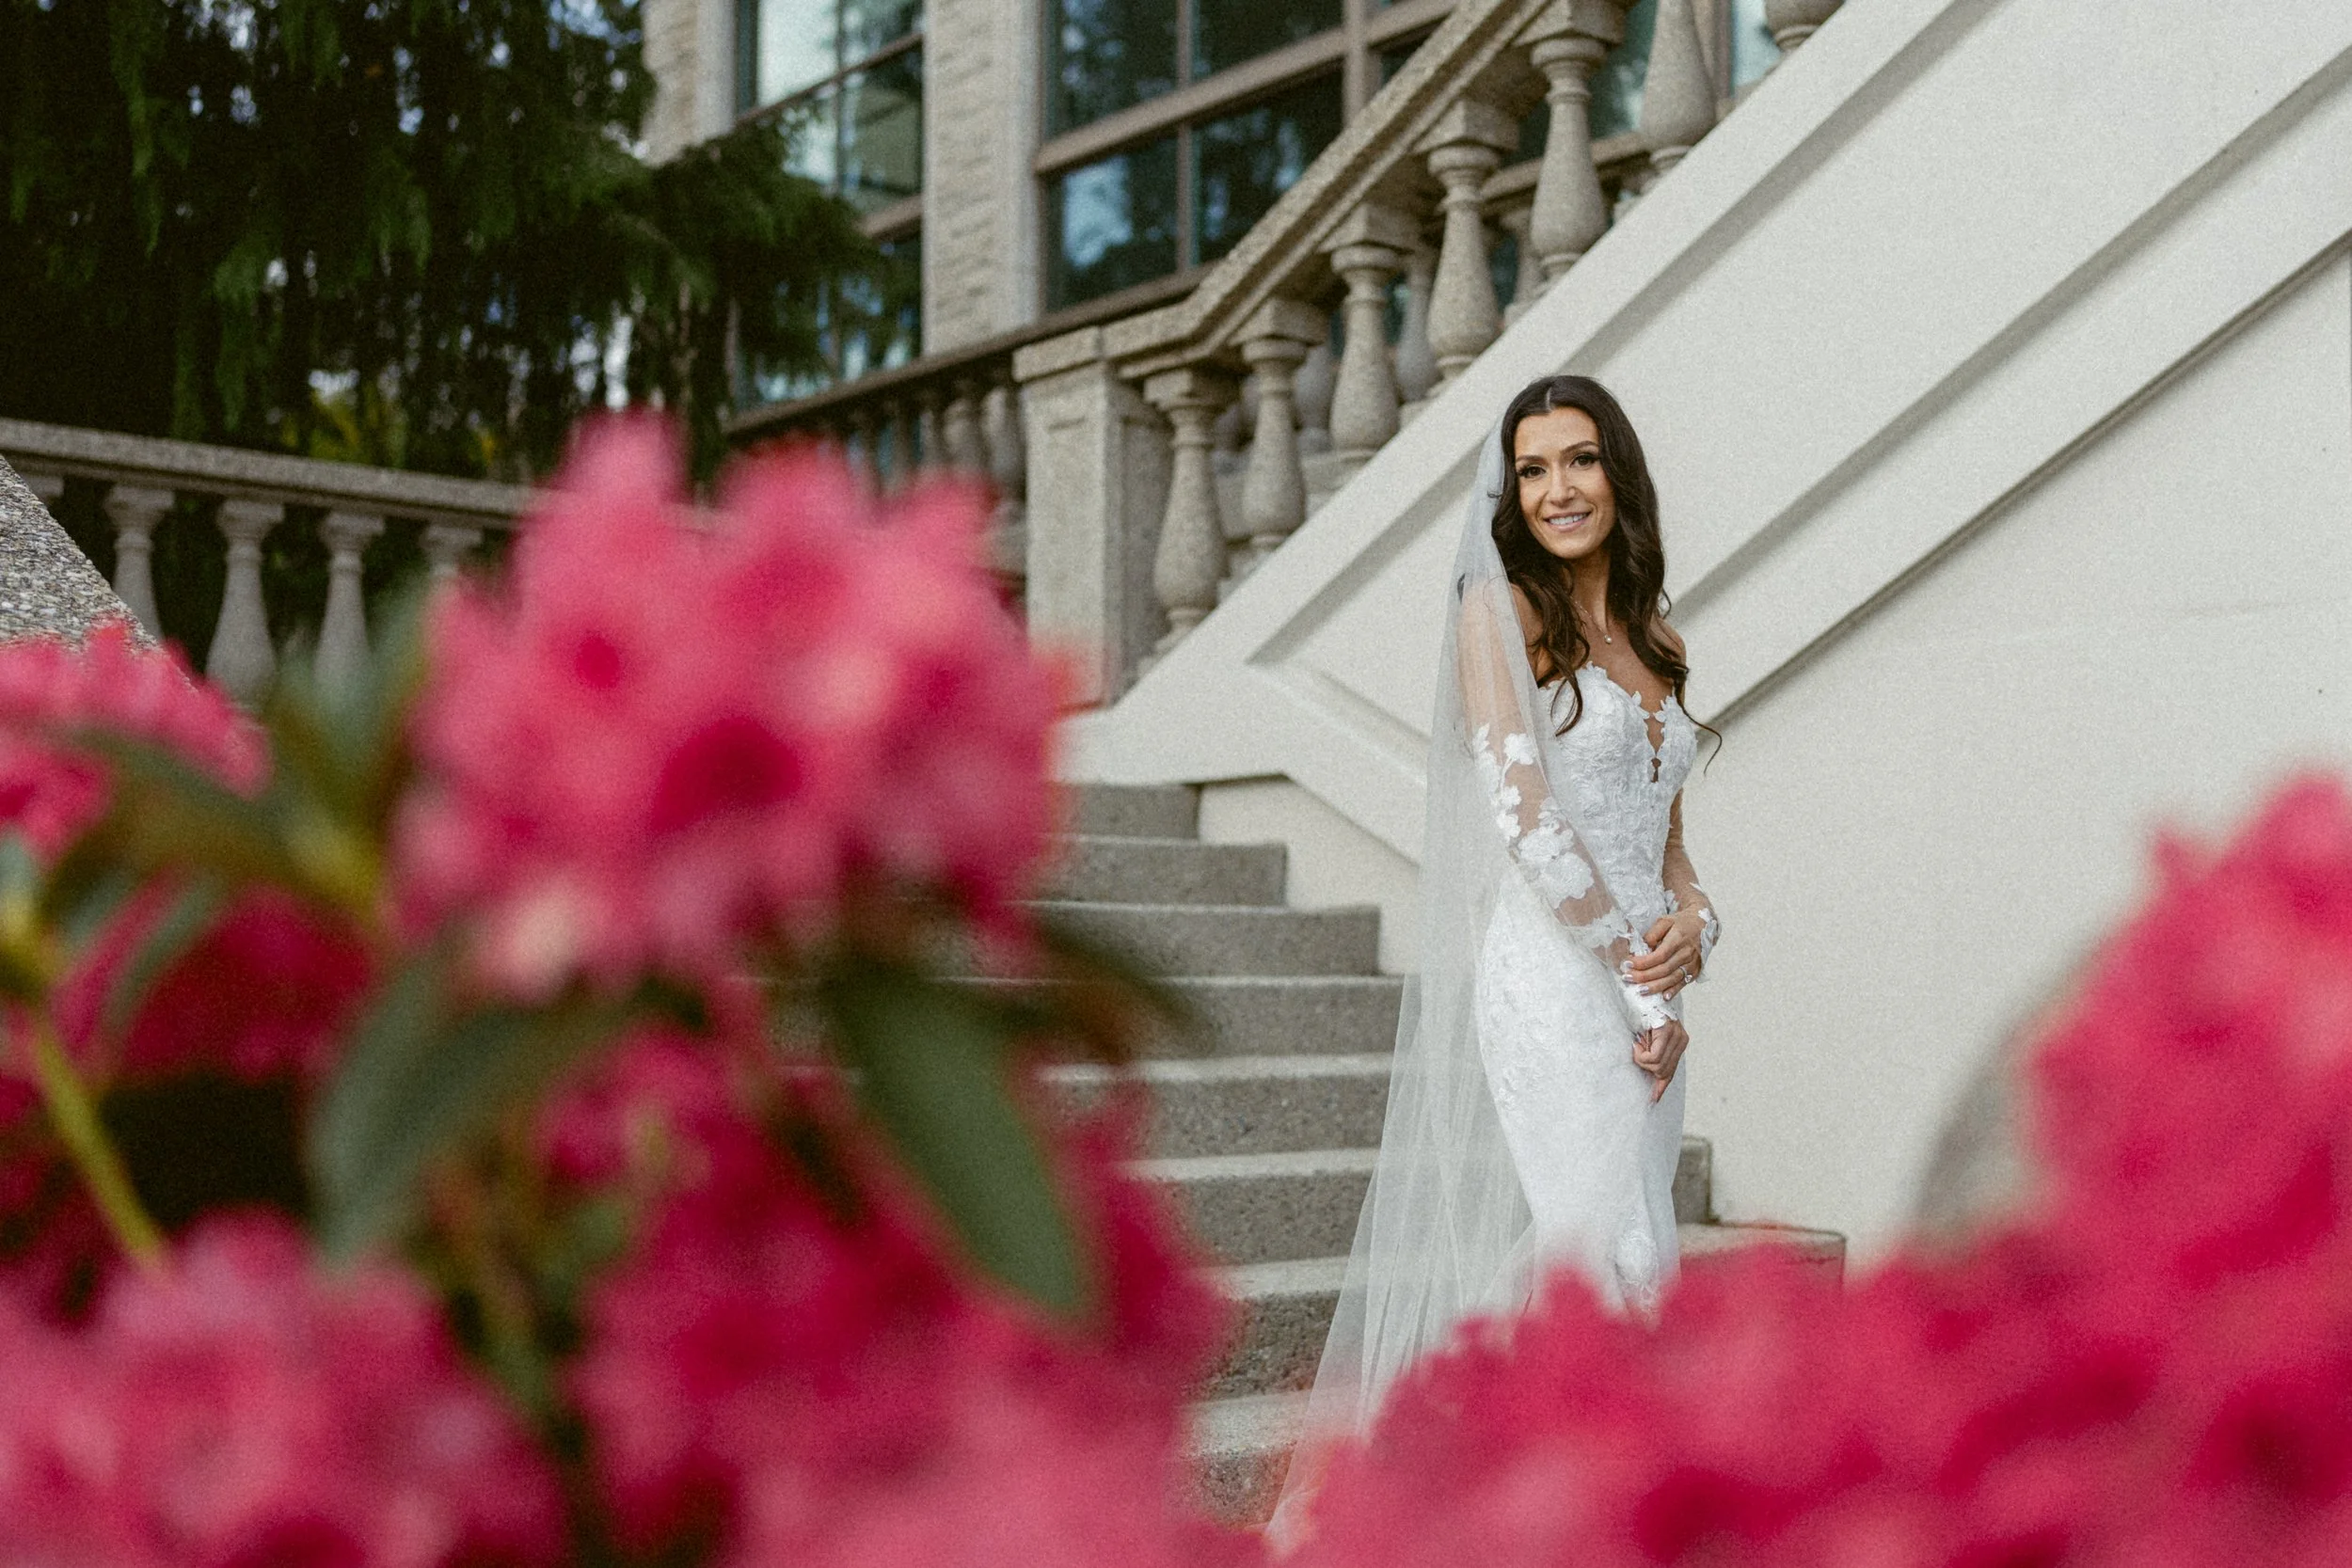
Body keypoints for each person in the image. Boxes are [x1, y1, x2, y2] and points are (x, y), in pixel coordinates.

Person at [1268, 374, 1720, 1544]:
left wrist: (1694, 926)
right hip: (1558, 984)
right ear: (1509, 492)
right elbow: (1526, 822)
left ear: (1618, 471)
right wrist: (1633, 978)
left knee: (1636, 1245)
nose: (1558, 487)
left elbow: (1664, 838)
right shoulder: (1497, 612)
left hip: (1646, 988)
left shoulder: (1654, 634)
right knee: (1591, 1255)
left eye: (1579, 459)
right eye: (1533, 469)